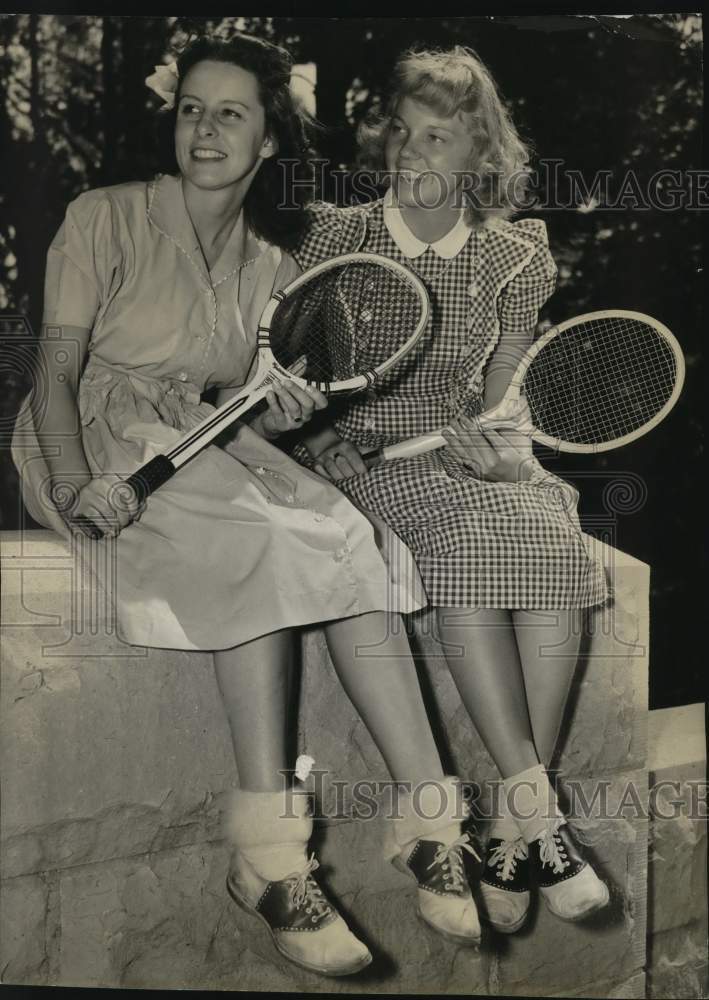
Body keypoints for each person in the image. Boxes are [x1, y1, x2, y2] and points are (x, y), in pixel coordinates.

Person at [11, 35, 484, 977]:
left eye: (231, 112)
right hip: (94, 438)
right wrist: (73, 487)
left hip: (207, 444)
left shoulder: (273, 261)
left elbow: (252, 400)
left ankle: (429, 822)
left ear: (268, 139)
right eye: (192, 107)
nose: (205, 128)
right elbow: (54, 378)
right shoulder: (101, 217)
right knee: (260, 544)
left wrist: (285, 407)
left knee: (357, 541)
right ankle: (269, 858)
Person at [292, 45, 611, 935]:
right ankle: (538, 821)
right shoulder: (337, 235)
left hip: (469, 463)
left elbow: (505, 399)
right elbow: (276, 367)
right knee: (474, 547)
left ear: (479, 155)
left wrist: (506, 457)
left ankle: (514, 828)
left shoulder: (514, 254)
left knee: (552, 540)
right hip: (368, 465)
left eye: (436, 139)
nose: (409, 152)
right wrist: (321, 436)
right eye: (401, 131)